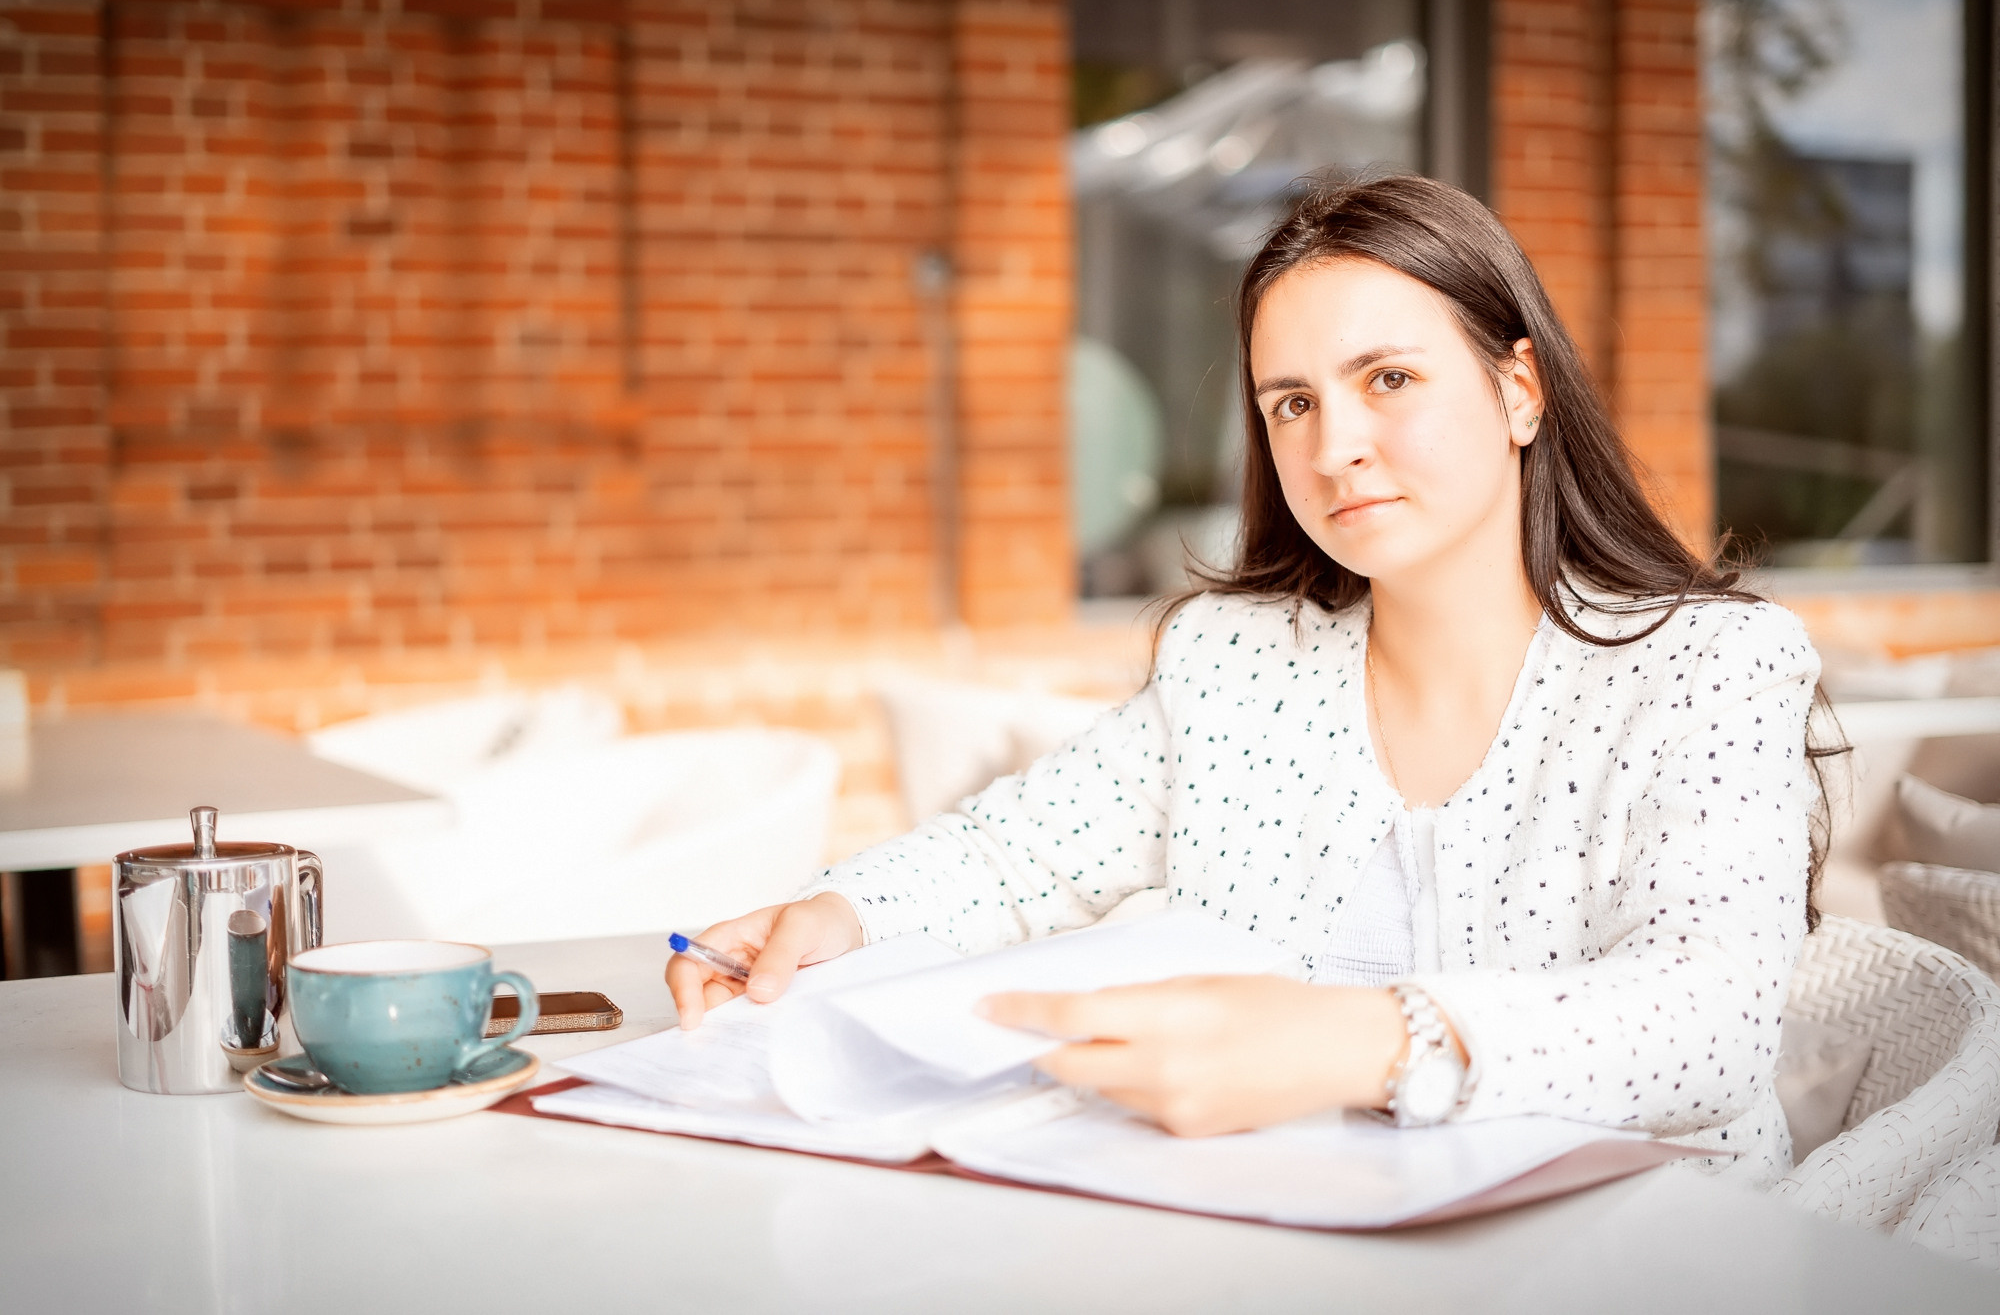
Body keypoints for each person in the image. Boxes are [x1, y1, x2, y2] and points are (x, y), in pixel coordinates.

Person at [667, 173, 1826, 1186]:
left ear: (1518, 390)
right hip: (1283, 1225)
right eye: (1292, 402)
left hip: (1639, 1244)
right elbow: (1019, 851)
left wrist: (1351, 1041)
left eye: (1387, 378)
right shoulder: (1234, 659)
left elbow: (1707, 1014)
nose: (1333, 447)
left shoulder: (1708, 666)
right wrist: (836, 912)